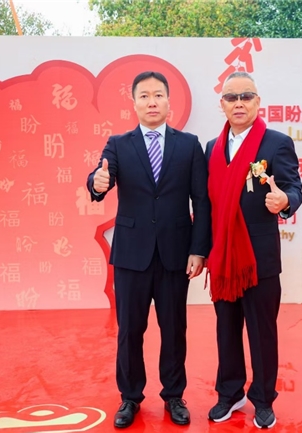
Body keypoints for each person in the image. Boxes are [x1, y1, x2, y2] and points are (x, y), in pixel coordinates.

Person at [87, 71, 211, 429]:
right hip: (131, 255)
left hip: (175, 253)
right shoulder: (118, 144)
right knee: (130, 330)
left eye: (158, 95)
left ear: (169, 102)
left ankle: (174, 395)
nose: (152, 102)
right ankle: (130, 397)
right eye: (144, 96)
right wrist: (97, 182)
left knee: (174, 329)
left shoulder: (189, 145)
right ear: (134, 103)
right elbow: (100, 178)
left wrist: (198, 249)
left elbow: (202, 201)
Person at [205, 71, 302, 429]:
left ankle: (263, 399)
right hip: (223, 256)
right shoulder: (212, 148)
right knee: (226, 330)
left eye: (246, 96)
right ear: (222, 104)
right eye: (231, 97)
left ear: (258, 102)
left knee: (262, 333)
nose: (239, 103)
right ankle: (230, 393)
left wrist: (284, 201)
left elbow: (294, 188)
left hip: (259, 258)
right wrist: (201, 251)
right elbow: (207, 204)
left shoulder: (276, 143)